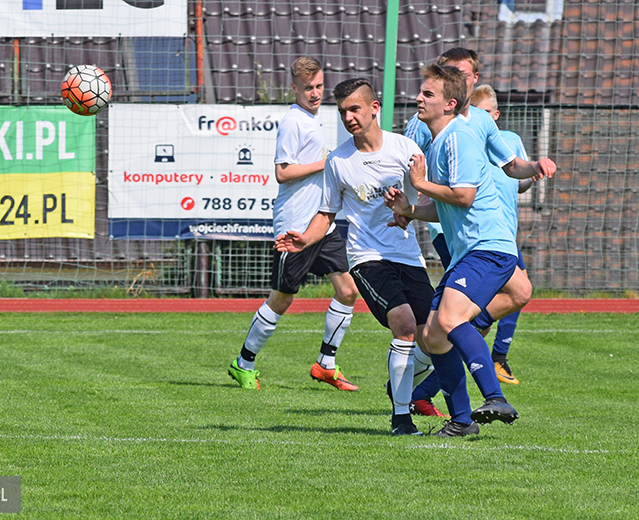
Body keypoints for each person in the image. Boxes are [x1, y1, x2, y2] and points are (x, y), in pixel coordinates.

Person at [386, 63, 551, 436]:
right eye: (421, 91)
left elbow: (463, 196)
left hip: (488, 247)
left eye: (428, 94)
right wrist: (409, 211)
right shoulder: (442, 138)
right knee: (433, 336)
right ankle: (461, 421)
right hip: (471, 251)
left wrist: (419, 183)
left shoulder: (457, 137)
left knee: (448, 320)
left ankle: (494, 395)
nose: (419, 98)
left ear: (450, 103)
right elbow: (446, 206)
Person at [275, 77, 436, 435]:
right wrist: (304, 240)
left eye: (355, 109)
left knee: (435, 337)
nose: (349, 117)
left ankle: (400, 386)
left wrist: (408, 209)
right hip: (366, 258)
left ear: (374, 108)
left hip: (408, 255)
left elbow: (422, 201)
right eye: (343, 111)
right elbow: (327, 213)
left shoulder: (405, 149)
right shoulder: (338, 161)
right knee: (406, 326)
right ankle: (401, 419)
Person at [228, 57, 360, 391]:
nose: (315, 93)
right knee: (283, 298)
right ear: (294, 88)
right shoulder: (293, 122)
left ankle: (326, 364)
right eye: (308, 88)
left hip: (321, 221)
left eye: (319, 86)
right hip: (295, 226)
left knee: (347, 290)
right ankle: (243, 363)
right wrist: (325, 162)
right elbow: (283, 172)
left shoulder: (317, 118)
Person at [469, 84, 535, 384]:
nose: (480, 120)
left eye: (484, 114)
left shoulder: (509, 141)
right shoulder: (467, 141)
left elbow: (519, 181)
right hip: (480, 237)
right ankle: (475, 351)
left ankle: (494, 356)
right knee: (515, 291)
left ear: (495, 114)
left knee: (518, 292)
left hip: (506, 235)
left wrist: (531, 178)